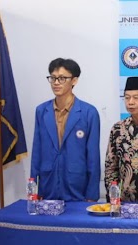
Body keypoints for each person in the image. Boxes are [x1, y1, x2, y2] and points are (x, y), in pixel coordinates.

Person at [31, 58, 100, 201]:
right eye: (53, 78)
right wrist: (34, 190)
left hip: (77, 186)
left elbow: (93, 157)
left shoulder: (89, 112)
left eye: (62, 78)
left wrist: (92, 195)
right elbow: (36, 152)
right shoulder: (41, 111)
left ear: (74, 80)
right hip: (47, 185)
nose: (56, 83)